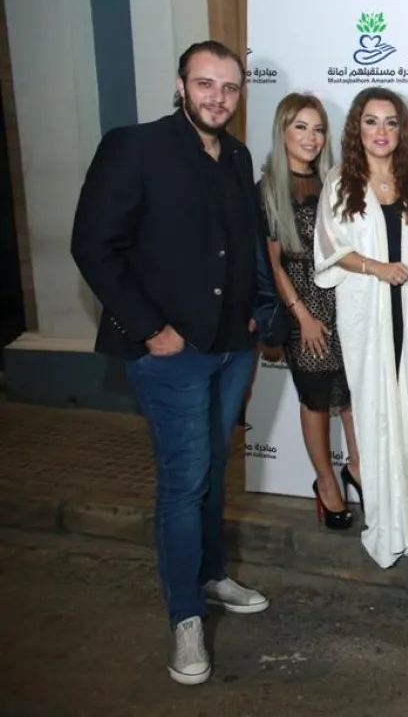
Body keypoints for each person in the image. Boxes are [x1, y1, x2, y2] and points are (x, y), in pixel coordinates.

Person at [70, 40, 277, 686]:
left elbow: (243, 242)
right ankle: (185, 617)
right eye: (205, 83)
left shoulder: (236, 155)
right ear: (182, 84)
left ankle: (211, 575)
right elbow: (92, 246)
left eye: (230, 87)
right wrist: (149, 329)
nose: (218, 97)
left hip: (231, 347)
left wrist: (254, 312)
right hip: (171, 353)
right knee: (183, 481)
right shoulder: (135, 147)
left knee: (213, 469)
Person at [312, 86, 408, 568]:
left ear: (403, 130)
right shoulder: (341, 183)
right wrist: (377, 268)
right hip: (368, 317)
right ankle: (389, 521)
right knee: (378, 411)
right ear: (357, 129)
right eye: (371, 121)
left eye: (391, 122)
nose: (382, 131)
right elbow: (329, 249)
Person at [259, 92, 360, 530]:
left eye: (318, 129)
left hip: (346, 302)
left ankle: (359, 469)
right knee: (317, 399)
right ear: (282, 130)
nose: (311, 137)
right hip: (303, 306)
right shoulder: (268, 189)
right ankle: (327, 484)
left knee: (353, 396)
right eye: (300, 127)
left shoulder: (336, 183)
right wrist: (302, 316)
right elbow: (272, 263)